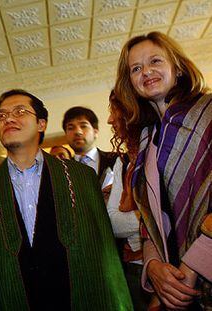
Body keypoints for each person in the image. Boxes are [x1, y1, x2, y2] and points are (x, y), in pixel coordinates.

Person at [0, 89, 133, 310]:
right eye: (2, 115)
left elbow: (102, 252)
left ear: (41, 124)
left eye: (19, 111)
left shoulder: (80, 176)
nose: (8, 118)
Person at [114, 31, 212, 310]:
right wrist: (154, 266)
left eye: (155, 60)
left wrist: (194, 266)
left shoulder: (210, 112)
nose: (146, 71)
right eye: (136, 68)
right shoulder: (146, 139)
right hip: (176, 286)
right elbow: (149, 221)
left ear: (177, 68)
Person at [107, 90, 151, 310]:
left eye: (114, 111)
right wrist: (149, 217)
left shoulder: (160, 151)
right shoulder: (122, 162)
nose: (109, 119)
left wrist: (142, 217)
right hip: (135, 271)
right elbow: (114, 223)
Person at [62, 106, 116, 186]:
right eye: (71, 128)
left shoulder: (116, 159)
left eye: (83, 126)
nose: (78, 132)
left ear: (95, 132)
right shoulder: (62, 169)